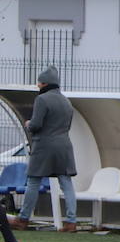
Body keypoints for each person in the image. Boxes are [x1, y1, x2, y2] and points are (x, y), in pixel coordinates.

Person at [13, 65, 78, 232]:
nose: (38, 86)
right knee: (66, 183)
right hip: (64, 146)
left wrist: (28, 124)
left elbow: (36, 125)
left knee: (33, 181)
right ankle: (71, 222)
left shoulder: (42, 99)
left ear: (45, 84)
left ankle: (24, 219)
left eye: (39, 83)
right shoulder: (66, 101)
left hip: (44, 146)